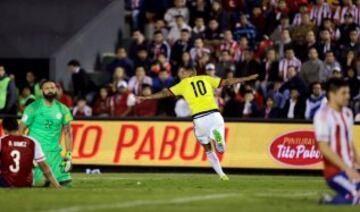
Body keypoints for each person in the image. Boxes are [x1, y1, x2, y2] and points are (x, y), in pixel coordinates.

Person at [138, 66, 258, 180]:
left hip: (199, 119)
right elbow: (227, 82)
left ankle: (222, 174)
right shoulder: (206, 78)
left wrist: (148, 97)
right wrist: (246, 78)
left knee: (208, 149)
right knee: (220, 144)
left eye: (184, 72)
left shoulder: (183, 84)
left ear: (192, 73)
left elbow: (165, 93)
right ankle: (217, 137)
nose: (182, 74)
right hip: (215, 115)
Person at [315, 78, 360, 205]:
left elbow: (349, 141)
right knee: (355, 197)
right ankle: (328, 201)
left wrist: (357, 161)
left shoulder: (348, 113)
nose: (348, 96)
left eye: (348, 93)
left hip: (351, 169)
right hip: (335, 173)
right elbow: (323, 147)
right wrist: (346, 168)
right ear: (332, 94)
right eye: (343, 93)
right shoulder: (322, 116)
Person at [20, 80, 73, 186]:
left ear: (57, 90)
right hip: (37, 154)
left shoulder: (63, 109)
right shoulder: (32, 108)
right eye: (47, 88)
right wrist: (26, 153)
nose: (50, 90)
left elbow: (68, 133)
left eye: (52, 88)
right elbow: (21, 131)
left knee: (66, 183)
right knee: (40, 184)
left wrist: (68, 155)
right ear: (41, 91)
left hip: (54, 153)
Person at [0, 117, 61, 188]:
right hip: (27, 183)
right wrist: (57, 185)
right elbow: (44, 166)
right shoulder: (32, 141)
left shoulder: (2, 141)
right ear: (18, 127)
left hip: (6, 183)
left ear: (4, 130)